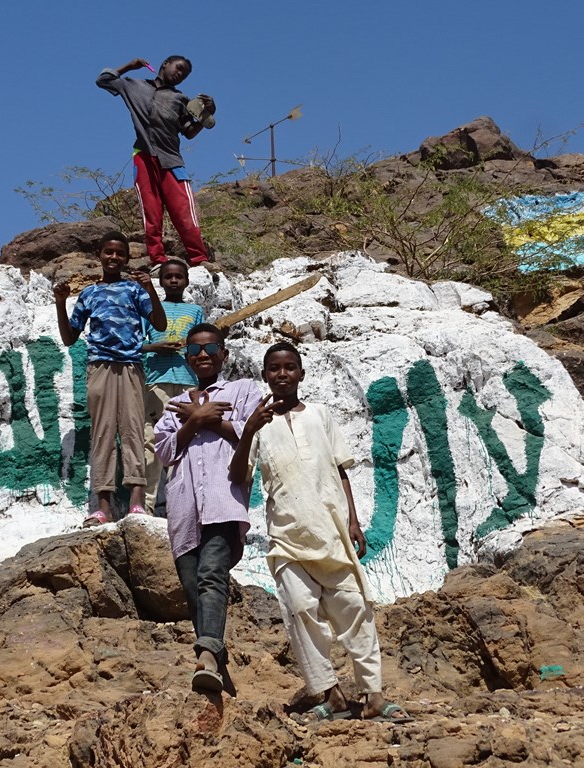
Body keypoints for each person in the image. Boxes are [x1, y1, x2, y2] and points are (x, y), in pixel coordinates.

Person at [229, 342, 412, 724]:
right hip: (286, 536)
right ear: (264, 375)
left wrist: (354, 521)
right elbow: (237, 474)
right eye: (274, 369)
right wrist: (248, 429)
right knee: (299, 610)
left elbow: (340, 469)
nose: (282, 374)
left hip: (331, 533)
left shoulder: (321, 415)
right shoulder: (258, 423)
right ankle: (331, 696)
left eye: (290, 367)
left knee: (355, 610)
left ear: (301, 374)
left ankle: (374, 696)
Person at [154, 323, 263, 694]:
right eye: (194, 350)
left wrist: (207, 419)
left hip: (223, 497)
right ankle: (216, 666)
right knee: (191, 584)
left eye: (210, 348)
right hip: (184, 505)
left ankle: (207, 656)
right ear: (186, 358)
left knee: (212, 573)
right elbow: (165, 451)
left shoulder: (243, 390)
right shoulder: (176, 405)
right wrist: (194, 421)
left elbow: (252, 432)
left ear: (224, 354)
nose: (202, 355)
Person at [54, 231, 167, 525]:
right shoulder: (89, 294)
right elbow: (69, 338)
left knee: (132, 431)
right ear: (99, 255)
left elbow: (160, 324)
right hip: (100, 367)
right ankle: (102, 505)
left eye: (120, 253)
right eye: (108, 252)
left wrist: (151, 289)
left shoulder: (134, 290)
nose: (114, 257)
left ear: (126, 258)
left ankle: (136, 502)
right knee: (103, 433)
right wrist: (60, 302)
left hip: (130, 366)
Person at [97, 55, 215, 267]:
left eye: (184, 75)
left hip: (172, 161)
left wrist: (207, 114)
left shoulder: (180, 99)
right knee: (151, 213)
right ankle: (158, 260)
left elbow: (189, 131)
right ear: (164, 65)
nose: (180, 75)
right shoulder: (134, 86)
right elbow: (103, 79)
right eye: (178, 68)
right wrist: (128, 66)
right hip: (144, 156)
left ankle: (199, 259)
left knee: (184, 212)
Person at [141, 260, 205, 515]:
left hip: (188, 382)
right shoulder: (151, 310)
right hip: (156, 381)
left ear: (187, 281)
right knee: (152, 440)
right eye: (168, 277)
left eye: (179, 276)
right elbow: (138, 343)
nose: (174, 281)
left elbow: (202, 343)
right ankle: (146, 504)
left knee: (185, 441)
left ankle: (180, 506)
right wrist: (157, 347)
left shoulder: (195, 310)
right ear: (161, 281)